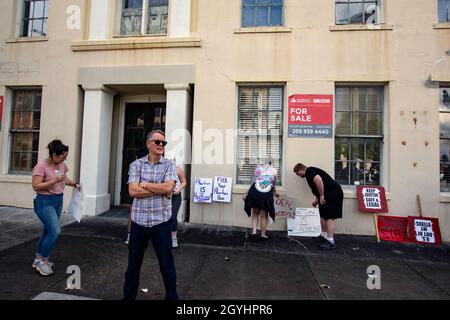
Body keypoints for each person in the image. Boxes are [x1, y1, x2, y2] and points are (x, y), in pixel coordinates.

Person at [123, 130, 179, 300]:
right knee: (133, 264)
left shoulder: (169, 165)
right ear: (148, 144)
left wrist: (145, 184)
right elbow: (132, 191)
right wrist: (159, 189)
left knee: (166, 264)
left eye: (163, 143)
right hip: (139, 223)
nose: (161, 145)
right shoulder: (136, 165)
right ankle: (128, 297)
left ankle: (172, 298)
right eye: (157, 142)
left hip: (160, 223)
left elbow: (169, 188)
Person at [31, 139, 80, 276]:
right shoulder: (41, 166)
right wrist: (55, 180)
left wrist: (74, 184)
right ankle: (44, 262)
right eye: (63, 156)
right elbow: (36, 186)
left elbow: (64, 178)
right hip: (44, 201)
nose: (65, 158)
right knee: (55, 230)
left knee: (47, 231)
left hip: (58, 200)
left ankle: (38, 259)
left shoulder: (61, 165)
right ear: (54, 155)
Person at [293, 163, 343, 251]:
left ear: (301, 169)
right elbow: (316, 187)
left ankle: (331, 242)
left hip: (333, 193)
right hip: (327, 195)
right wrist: (317, 199)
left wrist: (322, 195)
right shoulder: (309, 174)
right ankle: (323, 237)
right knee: (323, 216)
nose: (298, 175)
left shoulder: (309, 171)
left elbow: (319, 180)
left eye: (297, 173)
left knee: (329, 217)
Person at [244, 160, 280, 240]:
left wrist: (246, 193)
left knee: (255, 213)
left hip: (255, 191)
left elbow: (254, 181)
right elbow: (273, 185)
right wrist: (275, 192)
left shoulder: (258, 169)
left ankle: (254, 232)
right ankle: (263, 234)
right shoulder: (274, 171)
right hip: (266, 193)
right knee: (264, 215)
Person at [125, 146, 149, 245]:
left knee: (132, 213)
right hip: (142, 190)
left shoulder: (133, 164)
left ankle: (130, 236)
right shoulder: (141, 164)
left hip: (136, 189)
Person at [165, 151, 187, 248]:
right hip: (165, 196)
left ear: (174, 160)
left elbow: (184, 182)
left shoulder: (178, 169)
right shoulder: (162, 170)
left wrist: (178, 189)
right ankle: (164, 236)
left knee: (173, 217)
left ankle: (173, 237)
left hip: (175, 196)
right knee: (165, 218)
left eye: (171, 160)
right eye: (168, 160)